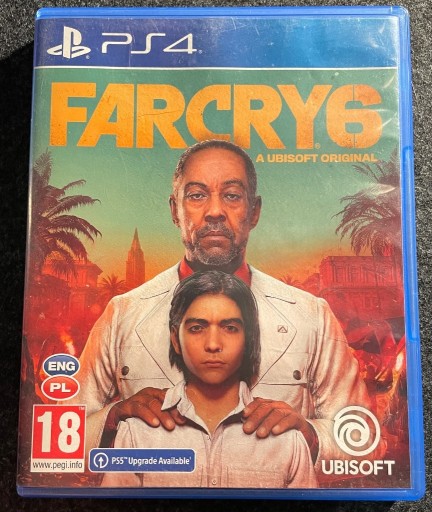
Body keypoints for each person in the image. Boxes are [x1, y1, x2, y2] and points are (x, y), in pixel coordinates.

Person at [73, 139, 379, 479]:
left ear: (254, 211)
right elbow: (56, 439)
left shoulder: (311, 315)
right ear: (175, 210)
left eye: (232, 196)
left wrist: (309, 434)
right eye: (197, 195)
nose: (215, 211)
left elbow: (366, 441)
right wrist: (112, 419)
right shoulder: (123, 313)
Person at [101, 271, 318, 488]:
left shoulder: (288, 440)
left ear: (248, 340)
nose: (213, 344)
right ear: (175, 340)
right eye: (197, 328)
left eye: (230, 328)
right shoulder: (136, 433)